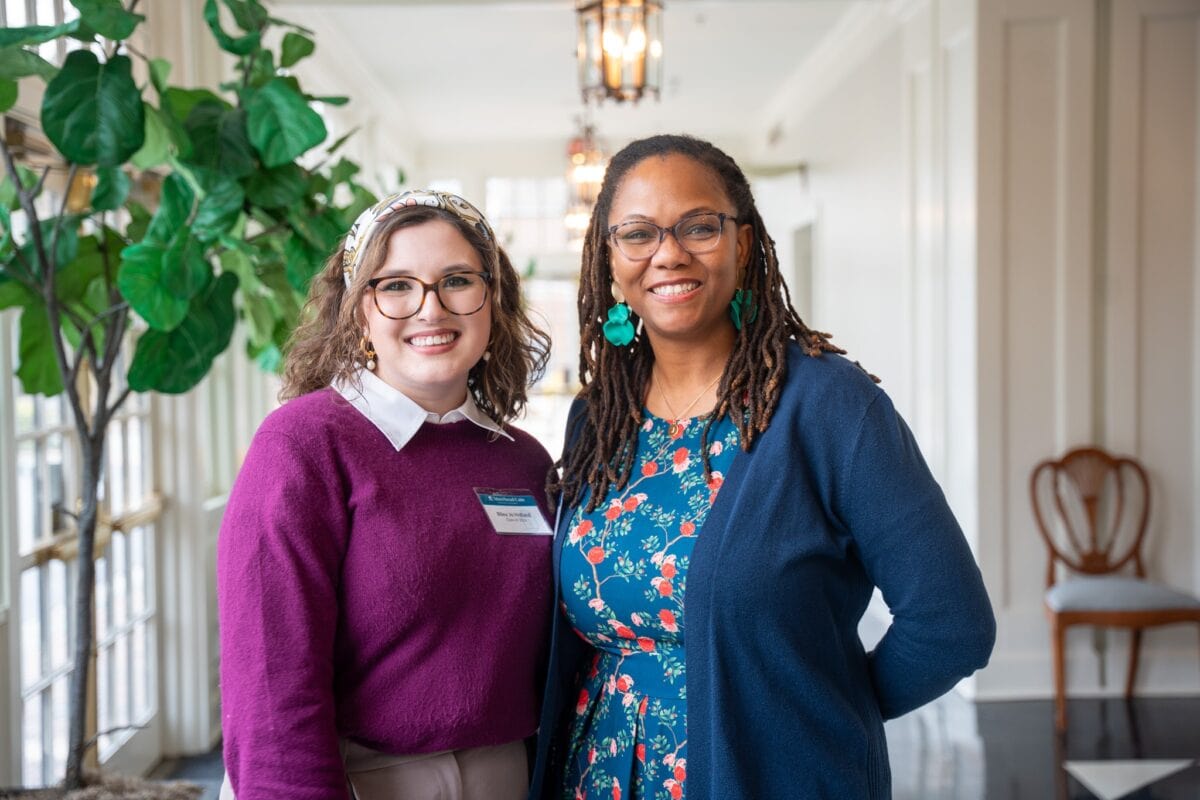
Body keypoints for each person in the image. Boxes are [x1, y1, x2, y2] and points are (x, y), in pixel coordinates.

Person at [529, 135, 996, 800]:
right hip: (597, 778)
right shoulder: (595, 421)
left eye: (698, 226)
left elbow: (952, 623)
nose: (668, 252)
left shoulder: (830, 405)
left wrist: (817, 713)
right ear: (609, 258)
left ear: (743, 245)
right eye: (637, 234)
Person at [218, 189, 554, 800]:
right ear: (358, 310)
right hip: (359, 781)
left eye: (456, 280)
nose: (430, 308)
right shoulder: (304, 444)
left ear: (492, 298)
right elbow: (269, 681)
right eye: (396, 285)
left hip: (510, 776)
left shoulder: (524, 461)